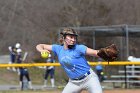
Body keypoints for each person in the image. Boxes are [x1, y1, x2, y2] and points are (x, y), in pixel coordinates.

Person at [36, 28, 118, 93]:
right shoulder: (58, 48)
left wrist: (102, 53)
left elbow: (95, 52)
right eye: (71, 37)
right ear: (64, 37)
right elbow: (39, 45)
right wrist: (42, 50)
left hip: (89, 79)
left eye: (74, 37)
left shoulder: (79, 48)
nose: (73, 39)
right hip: (73, 83)